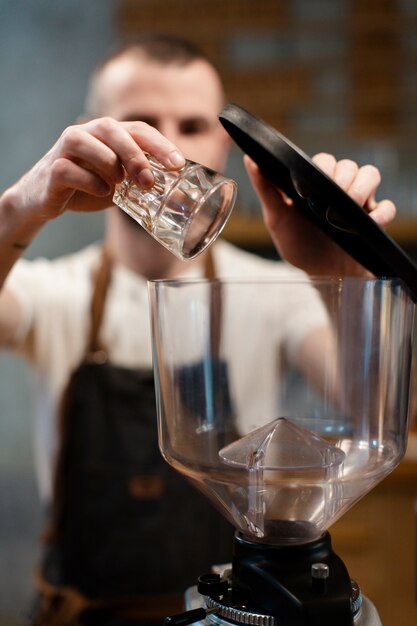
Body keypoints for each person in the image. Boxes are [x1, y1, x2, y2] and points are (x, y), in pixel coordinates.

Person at [0, 34, 396, 626]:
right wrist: (19, 208)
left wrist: (339, 274)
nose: (168, 149)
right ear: (90, 132)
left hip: (233, 614)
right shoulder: (52, 292)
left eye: (190, 124)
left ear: (220, 142)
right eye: (141, 123)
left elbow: (369, 407)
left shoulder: (274, 291)